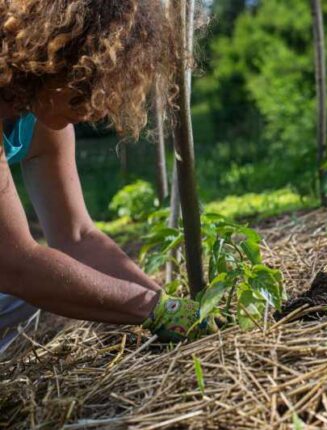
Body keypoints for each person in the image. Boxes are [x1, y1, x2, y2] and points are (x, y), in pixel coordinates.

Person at [0, 0, 215, 352]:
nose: (95, 107)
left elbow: (78, 237)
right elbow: (13, 263)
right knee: (28, 282)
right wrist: (151, 309)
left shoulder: (39, 123)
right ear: (48, 57)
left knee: (39, 287)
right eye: (85, 84)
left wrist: (167, 304)